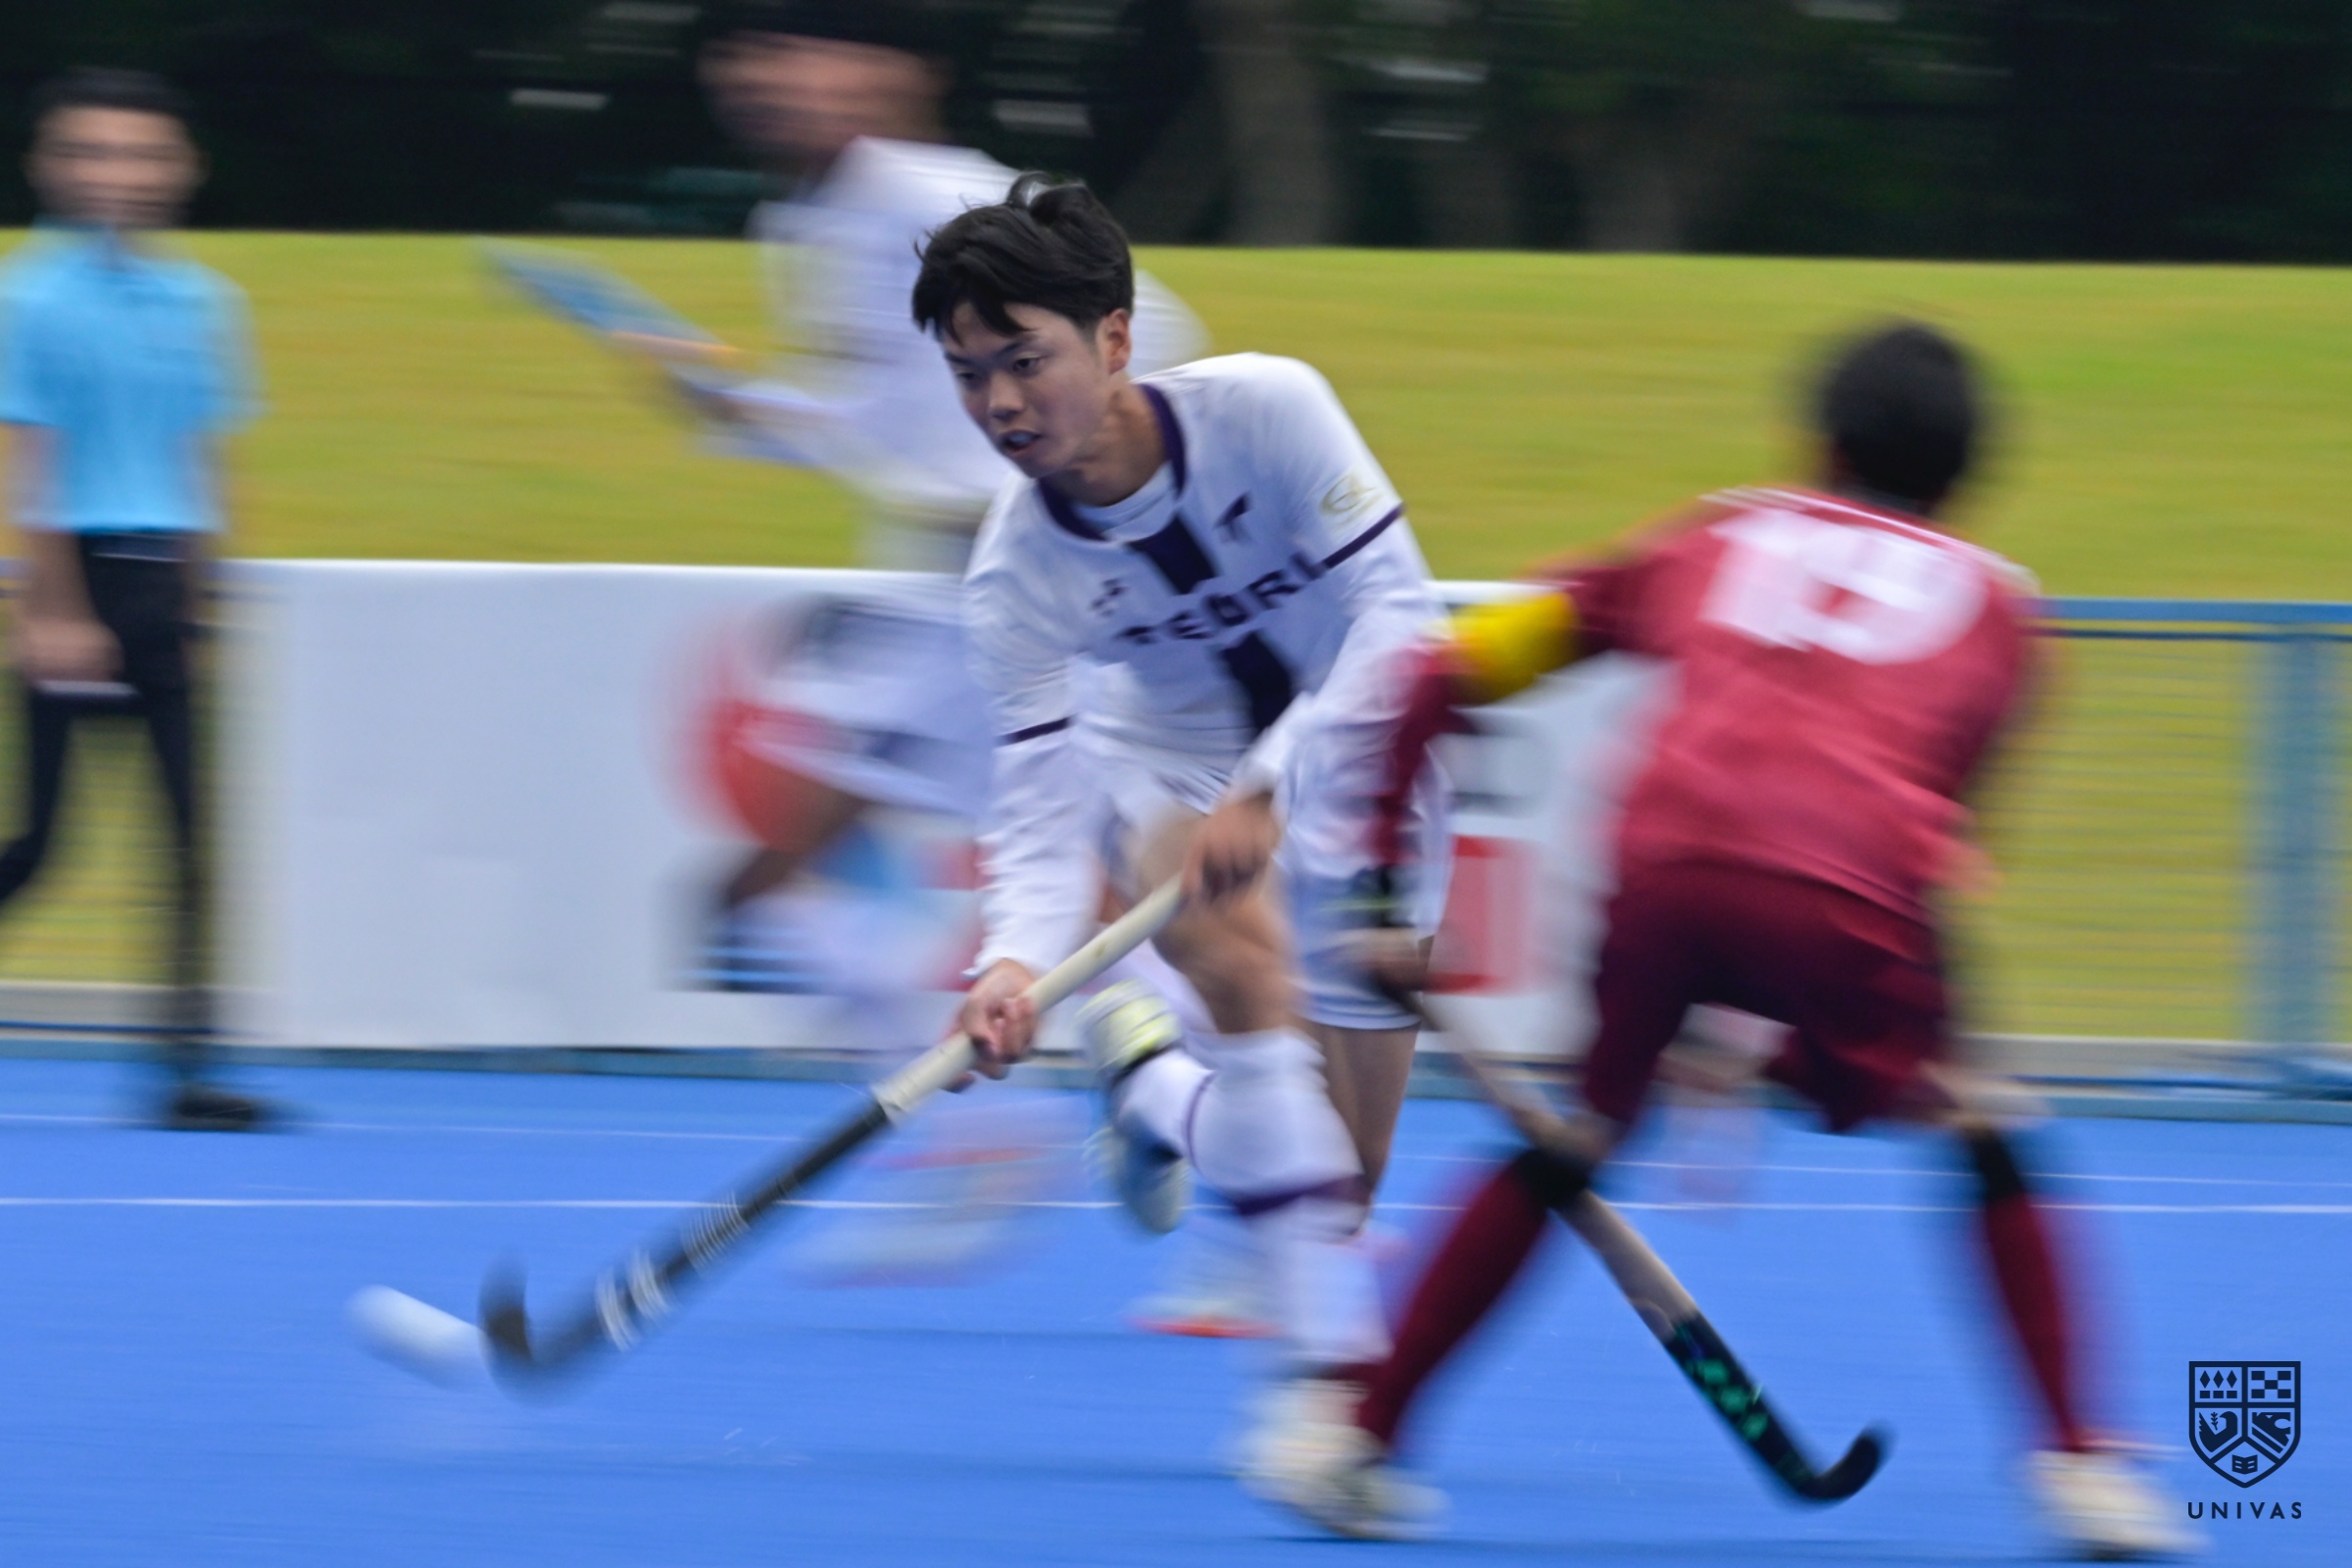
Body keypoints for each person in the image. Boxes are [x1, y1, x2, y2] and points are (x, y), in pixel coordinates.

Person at [1259, 322, 2192, 1557]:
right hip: (1849, 886)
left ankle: (1353, 1438)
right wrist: (1771, 1044)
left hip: (1657, 863)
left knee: (1581, 1134)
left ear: (1819, 445)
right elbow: (1911, 862)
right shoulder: (2003, 615)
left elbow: (1439, 674)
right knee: (1980, 1117)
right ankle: (2082, 1464)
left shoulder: (1713, 536)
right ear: (1966, 479)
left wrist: (1380, 891)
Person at [917, 173, 1449, 1496]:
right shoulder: (1014, 576)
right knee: (1251, 974)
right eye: (969, 375)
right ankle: (1323, 1410)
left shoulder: (1270, 408)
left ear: (1113, 339)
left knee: (1342, 1177)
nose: (999, 405)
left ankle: (1151, 1083)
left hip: (1365, 760)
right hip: (1166, 765)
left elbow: (1400, 622)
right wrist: (1009, 963)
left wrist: (1272, 785)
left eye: (1024, 360)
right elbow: (1040, 805)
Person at [678, 0, 1203, 982]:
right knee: (1092, 885)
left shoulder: (934, 202)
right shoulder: (812, 218)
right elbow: (883, 421)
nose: (775, 84)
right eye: (752, 60)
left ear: (897, 77)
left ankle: (1188, 1052)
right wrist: (739, 409)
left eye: (809, 57)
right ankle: (1177, 1055)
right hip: (964, 582)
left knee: (770, 881)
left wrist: (1088, 483)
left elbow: (1160, 335)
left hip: (1027, 578)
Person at [0, 69, 271, 1131]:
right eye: (91, 151)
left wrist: (202, 605)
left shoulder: (204, 302)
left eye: (141, 152)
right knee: (44, 844)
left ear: (182, 168)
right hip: (77, 576)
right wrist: (51, 609)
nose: (116, 172)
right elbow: (29, 459)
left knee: (194, 842)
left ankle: (186, 1071)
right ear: (49, 166)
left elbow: (199, 458)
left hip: (164, 585)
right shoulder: (31, 296)